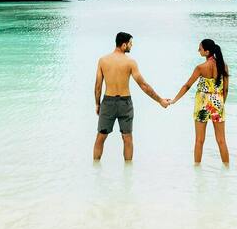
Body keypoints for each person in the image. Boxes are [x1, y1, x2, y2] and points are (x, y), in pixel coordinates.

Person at [93, 32, 169, 162]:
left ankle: (95, 171)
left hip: (108, 102)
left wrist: (98, 104)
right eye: (130, 43)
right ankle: (128, 176)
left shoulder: (103, 61)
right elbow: (143, 85)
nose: (131, 46)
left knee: (101, 137)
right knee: (127, 139)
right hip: (125, 103)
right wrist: (160, 100)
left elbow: (98, 86)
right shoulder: (130, 62)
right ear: (123, 45)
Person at [169, 38, 229, 165]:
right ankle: (226, 170)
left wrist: (174, 100)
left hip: (202, 104)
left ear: (207, 52)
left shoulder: (201, 68)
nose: (198, 50)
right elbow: (226, 90)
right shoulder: (223, 66)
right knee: (222, 141)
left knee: (199, 141)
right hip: (218, 103)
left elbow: (187, 86)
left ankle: (197, 173)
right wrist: (221, 105)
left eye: (200, 49)